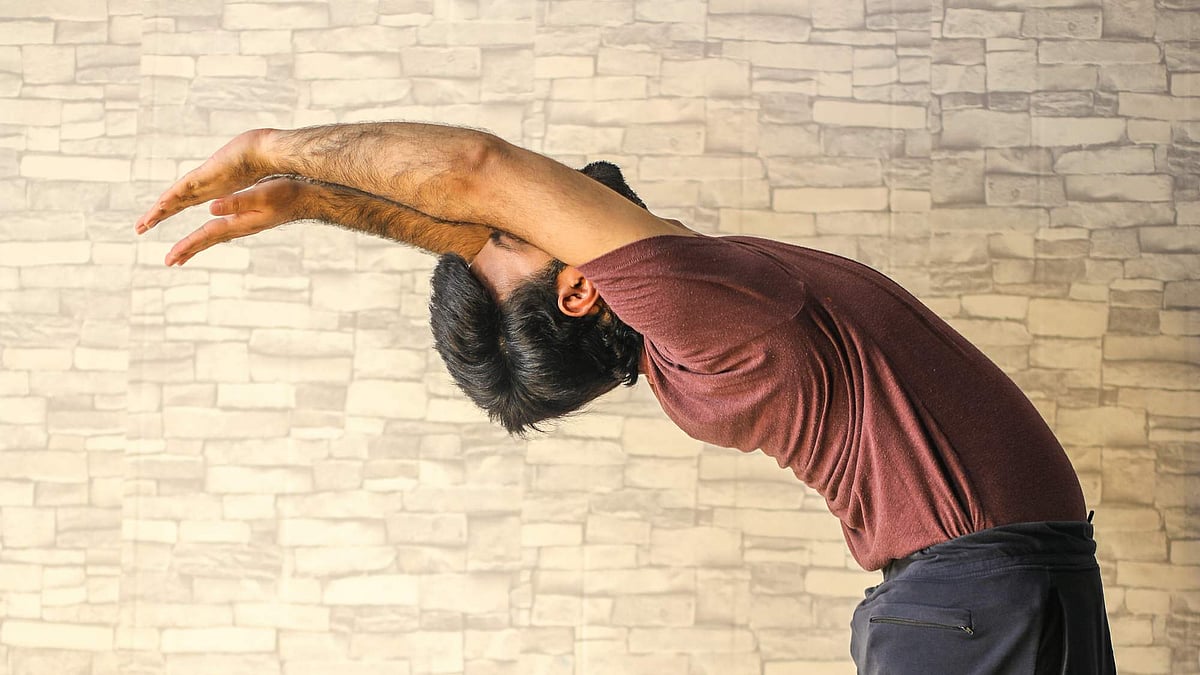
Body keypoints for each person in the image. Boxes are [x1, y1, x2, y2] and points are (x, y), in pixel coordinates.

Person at [136, 122, 1117, 673]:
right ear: (580, 290)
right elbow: (477, 175)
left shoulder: (690, 344)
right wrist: (275, 148)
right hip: (979, 602)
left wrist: (320, 199)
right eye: (507, 232)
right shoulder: (698, 313)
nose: (503, 217)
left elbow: (474, 213)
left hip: (982, 599)